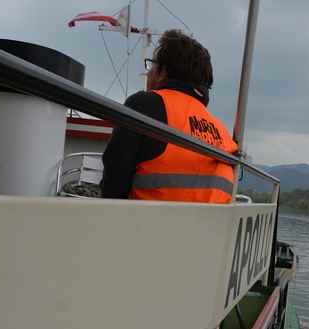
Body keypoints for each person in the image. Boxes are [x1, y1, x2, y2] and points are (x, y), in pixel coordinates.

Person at [101, 30, 237, 203]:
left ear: (163, 71)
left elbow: (113, 187)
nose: (148, 73)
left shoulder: (145, 106)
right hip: (207, 228)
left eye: (152, 66)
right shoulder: (224, 136)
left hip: (144, 227)